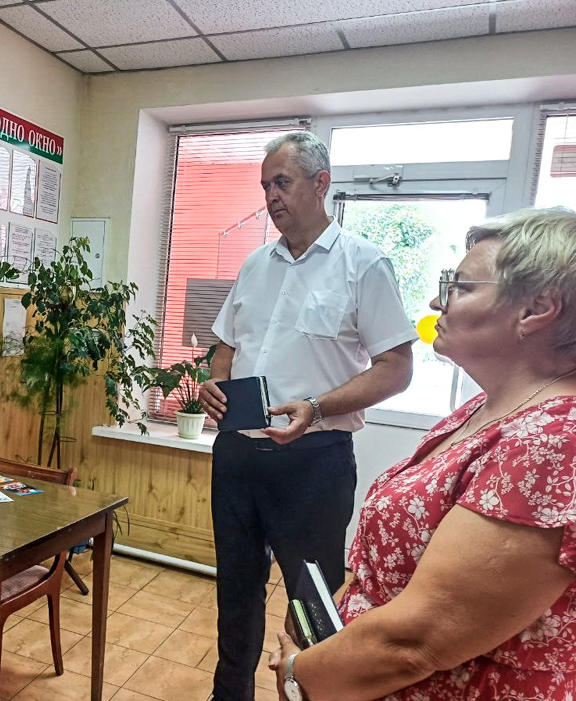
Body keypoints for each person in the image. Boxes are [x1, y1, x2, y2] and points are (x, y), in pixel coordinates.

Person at [268, 207, 576, 701]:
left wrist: (300, 673)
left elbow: (417, 641)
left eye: (460, 287)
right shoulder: (485, 408)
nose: (437, 302)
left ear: (535, 310)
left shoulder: (553, 442)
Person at [199, 132, 417, 701]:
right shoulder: (255, 264)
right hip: (238, 457)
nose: (271, 196)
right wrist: (214, 384)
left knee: (313, 602)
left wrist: (317, 406)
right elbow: (226, 345)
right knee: (235, 591)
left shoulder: (363, 264)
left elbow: (396, 368)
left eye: (282, 182)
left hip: (313, 461)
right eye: (265, 186)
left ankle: (308, 694)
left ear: (321, 184)